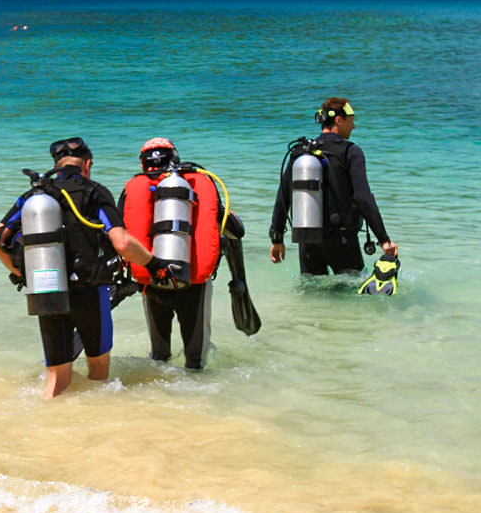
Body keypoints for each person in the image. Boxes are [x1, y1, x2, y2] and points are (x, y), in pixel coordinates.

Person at [0, 136, 187, 398]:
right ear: (88, 163)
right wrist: (154, 264)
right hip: (89, 292)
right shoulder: (94, 191)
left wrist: (21, 274)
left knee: (56, 376)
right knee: (98, 370)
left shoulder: (35, 195)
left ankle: (45, 422)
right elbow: (122, 242)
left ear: (56, 163)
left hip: (47, 291)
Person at [118, 138, 244, 370]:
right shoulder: (196, 184)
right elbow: (237, 231)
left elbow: (119, 238)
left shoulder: (133, 190)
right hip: (193, 283)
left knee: (159, 356)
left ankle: (158, 396)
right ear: (174, 157)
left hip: (153, 280)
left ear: (143, 163)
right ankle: (195, 399)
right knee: (196, 361)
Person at [269, 97, 396, 274]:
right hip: (342, 241)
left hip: (308, 241)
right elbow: (363, 198)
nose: (354, 126)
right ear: (338, 120)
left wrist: (277, 238)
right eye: (351, 121)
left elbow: (283, 196)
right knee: (351, 294)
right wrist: (383, 239)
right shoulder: (351, 151)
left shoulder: (302, 153)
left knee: (312, 293)